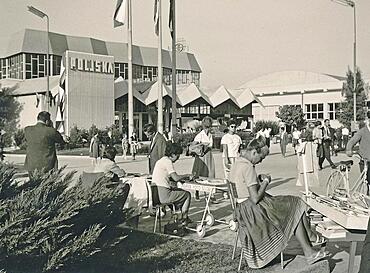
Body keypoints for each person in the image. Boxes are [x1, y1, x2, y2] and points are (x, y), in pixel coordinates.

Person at [229, 136, 327, 269]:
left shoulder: (238, 162)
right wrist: (265, 182)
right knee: (294, 207)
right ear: (254, 152)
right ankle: (309, 245)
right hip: (254, 212)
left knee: (294, 203)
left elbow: (242, 186)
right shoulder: (248, 167)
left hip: (242, 209)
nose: (260, 162)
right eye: (261, 158)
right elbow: (255, 198)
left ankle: (310, 240)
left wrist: (257, 179)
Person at [151, 142, 192, 224]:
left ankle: (178, 215)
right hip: (163, 195)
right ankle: (184, 218)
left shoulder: (161, 160)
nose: (178, 158)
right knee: (187, 195)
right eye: (177, 155)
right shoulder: (167, 161)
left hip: (155, 194)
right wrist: (187, 175)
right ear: (172, 154)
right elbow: (175, 178)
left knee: (177, 191)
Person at [24, 111, 65, 176]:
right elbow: (61, 141)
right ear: (47, 121)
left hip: (31, 165)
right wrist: (52, 127)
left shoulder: (27, 130)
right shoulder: (51, 131)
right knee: (47, 185)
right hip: (47, 166)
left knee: (33, 185)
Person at [191, 116, 215, 201]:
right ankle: (197, 192)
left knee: (210, 174)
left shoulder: (210, 135)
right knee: (199, 173)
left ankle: (211, 194)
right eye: (206, 126)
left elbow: (211, 146)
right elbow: (192, 146)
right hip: (201, 157)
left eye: (209, 126)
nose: (208, 127)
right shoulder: (199, 135)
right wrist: (200, 146)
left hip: (209, 155)